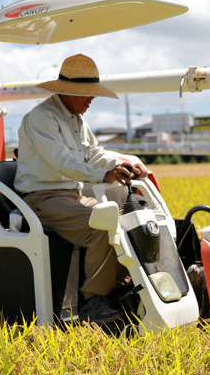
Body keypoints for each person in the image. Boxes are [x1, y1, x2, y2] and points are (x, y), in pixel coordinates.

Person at [14, 53, 148, 324]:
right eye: (87, 94)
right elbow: (63, 162)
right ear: (69, 92)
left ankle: (118, 291)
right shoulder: (41, 118)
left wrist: (122, 166)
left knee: (119, 222)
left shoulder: (76, 119)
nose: (91, 99)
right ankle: (93, 303)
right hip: (42, 199)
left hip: (71, 197)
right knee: (100, 228)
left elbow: (96, 154)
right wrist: (105, 174)